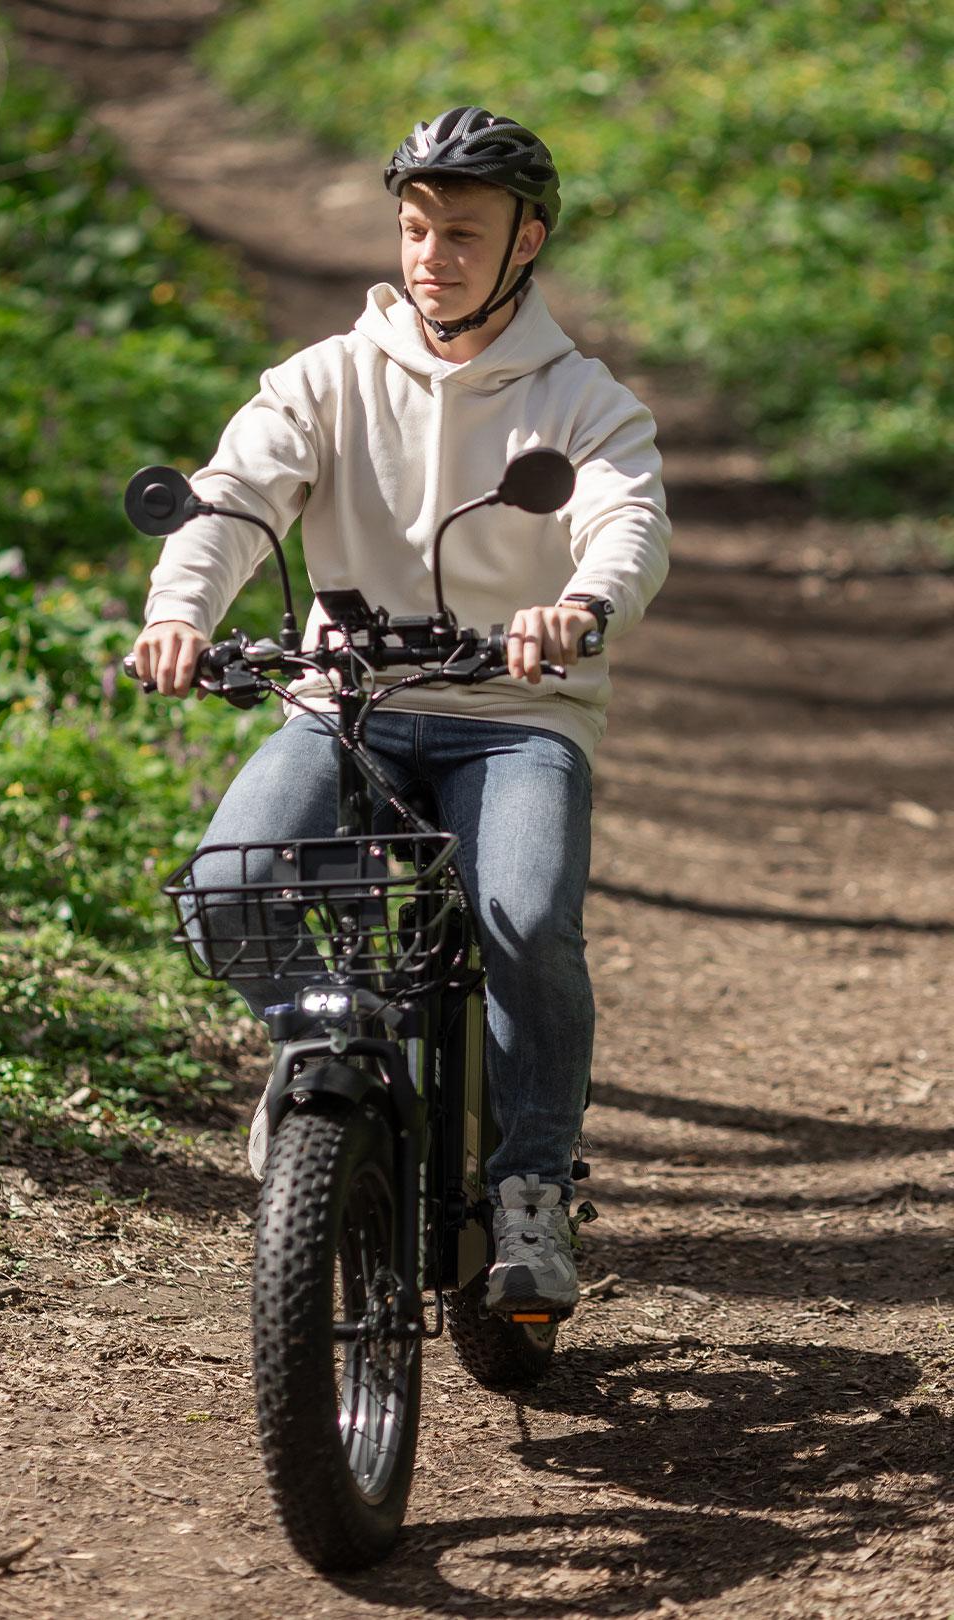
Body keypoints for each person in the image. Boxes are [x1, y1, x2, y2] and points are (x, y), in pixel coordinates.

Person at [130, 105, 671, 1316]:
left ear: (527, 243)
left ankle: (531, 1186)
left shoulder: (582, 401)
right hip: (348, 705)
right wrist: (182, 611)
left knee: (526, 919)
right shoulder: (326, 378)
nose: (432, 253)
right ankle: (317, 1040)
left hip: (517, 718)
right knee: (226, 886)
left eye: (463, 232)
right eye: (417, 226)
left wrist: (580, 605)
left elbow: (626, 523)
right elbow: (232, 500)